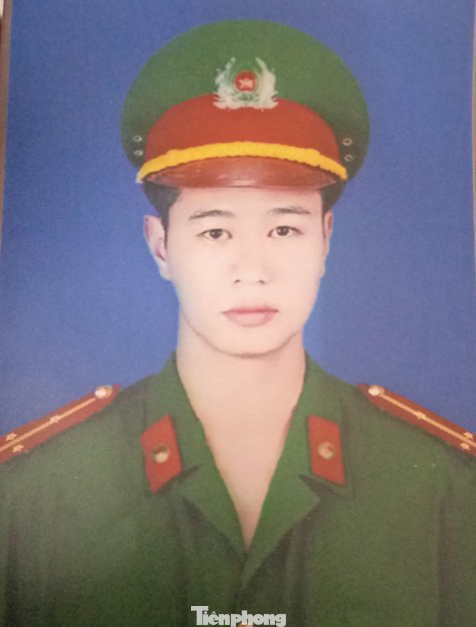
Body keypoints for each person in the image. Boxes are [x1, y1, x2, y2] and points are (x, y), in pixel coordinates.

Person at [1, 20, 475, 627]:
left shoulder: (442, 489)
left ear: (326, 239)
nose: (252, 270)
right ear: (160, 246)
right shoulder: (37, 493)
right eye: (215, 231)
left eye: (284, 228)